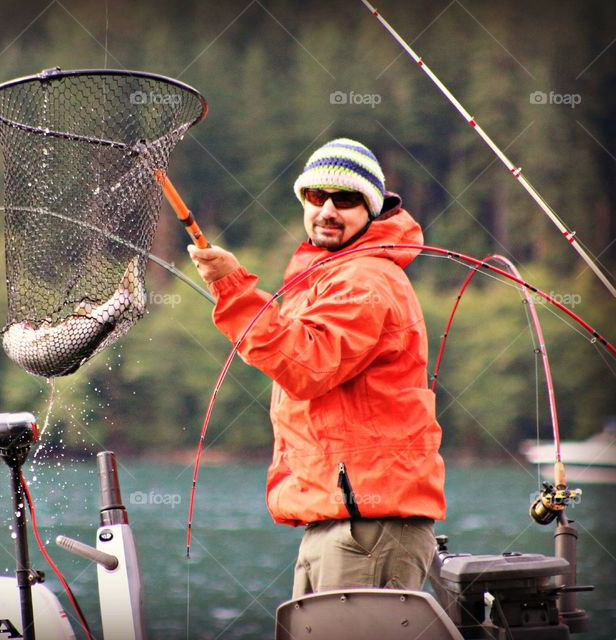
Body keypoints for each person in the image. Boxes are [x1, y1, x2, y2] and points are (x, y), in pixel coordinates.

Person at [188, 138, 446, 597]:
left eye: (345, 200)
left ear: (371, 209)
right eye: (315, 196)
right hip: (338, 525)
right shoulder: (328, 277)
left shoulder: (365, 278)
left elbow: (307, 363)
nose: (327, 210)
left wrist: (233, 286)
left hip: (365, 530)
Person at [2, 255, 146, 377]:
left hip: (61, 355)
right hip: (58, 349)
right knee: (90, 324)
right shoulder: (19, 340)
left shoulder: (26, 351)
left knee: (92, 327)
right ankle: (126, 294)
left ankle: (125, 296)